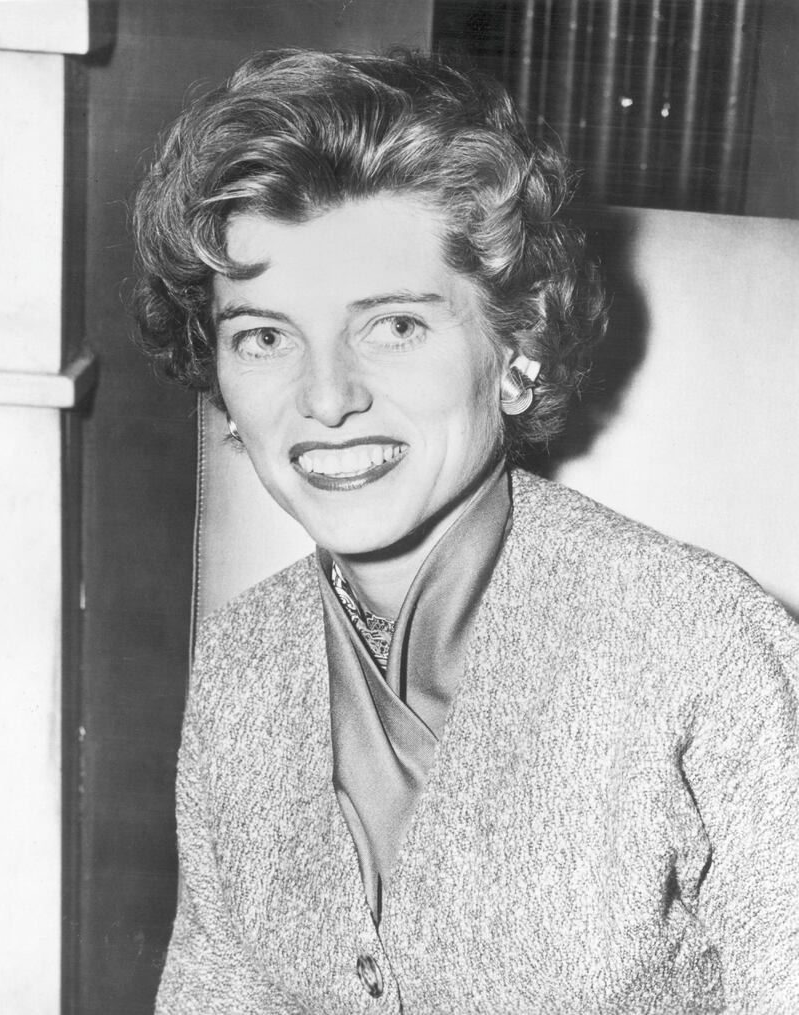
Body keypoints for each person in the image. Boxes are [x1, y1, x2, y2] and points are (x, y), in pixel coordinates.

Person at [133, 49, 799, 1014]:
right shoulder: (241, 664)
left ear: (516, 350)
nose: (325, 398)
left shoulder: (707, 652)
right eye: (265, 336)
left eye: (394, 326)